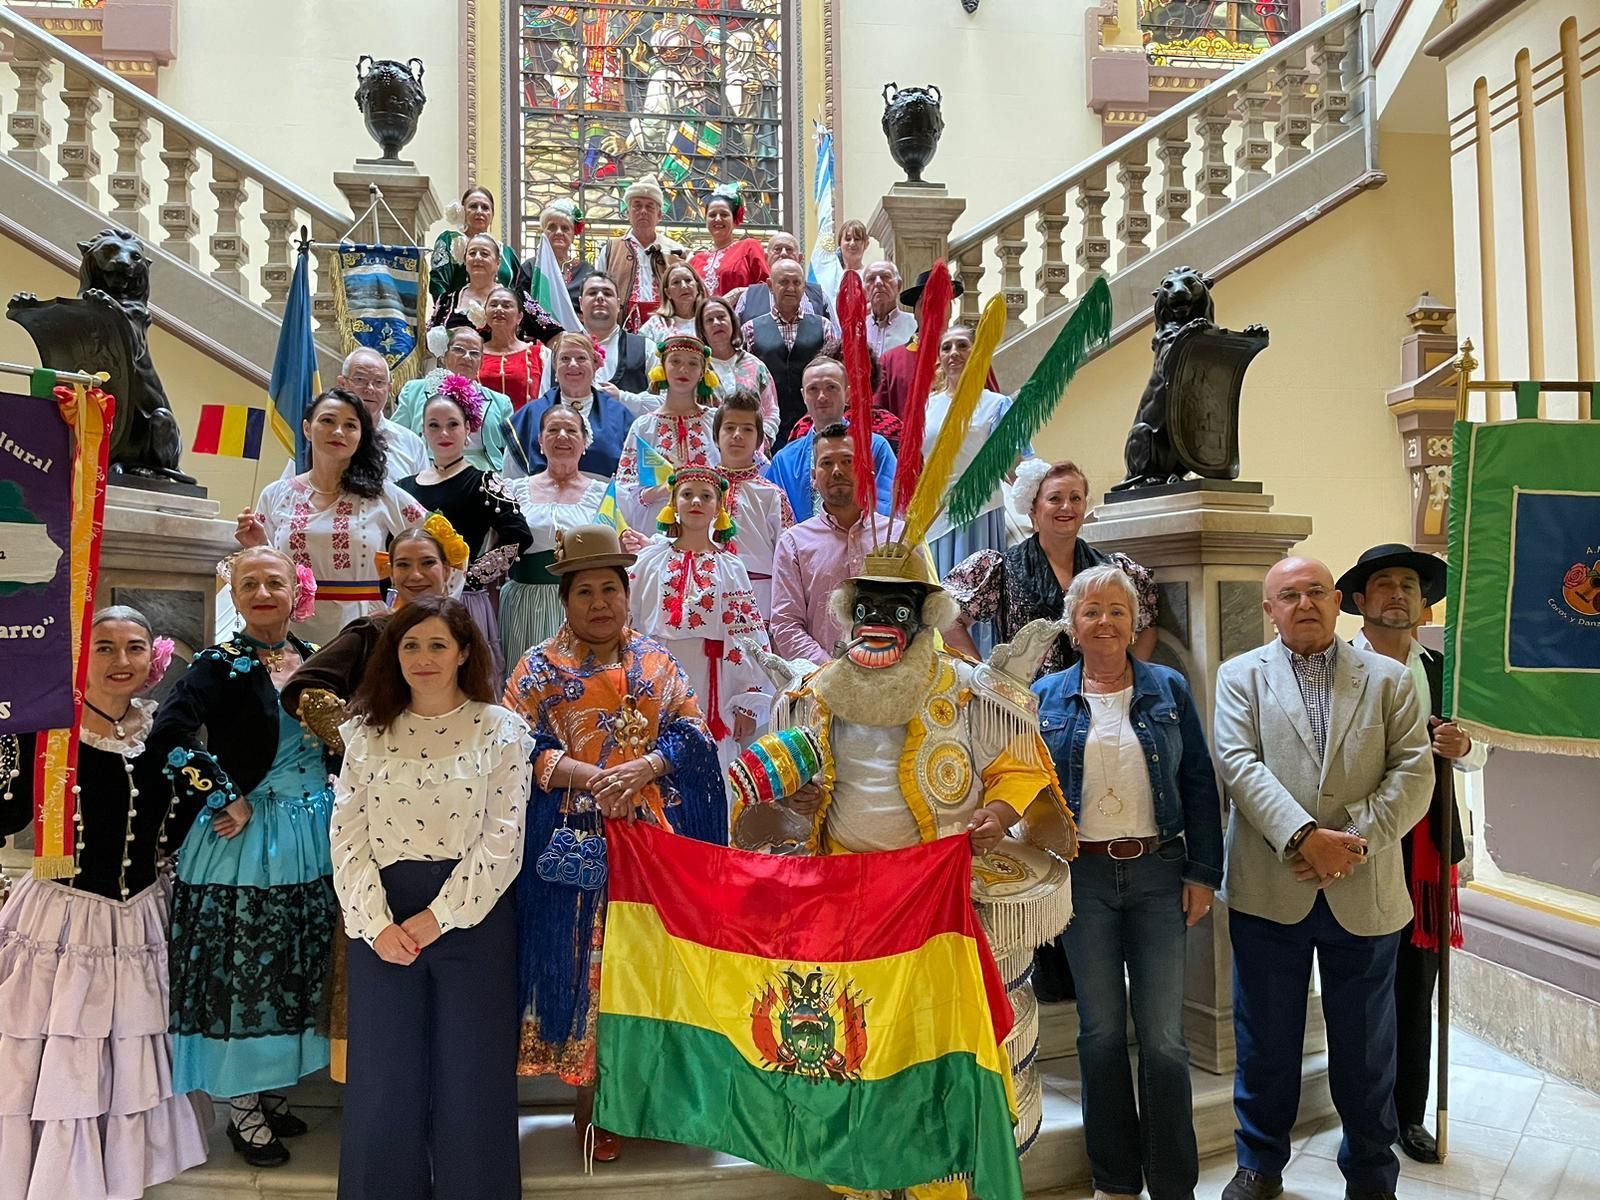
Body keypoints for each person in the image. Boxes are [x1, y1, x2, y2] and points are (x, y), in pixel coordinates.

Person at [731, 534, 1074, 1197]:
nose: (879, 622)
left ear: (926, 617)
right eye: (868, 607)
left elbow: (1019, 767)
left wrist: (998, 817)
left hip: (943, 914)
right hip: (849, 912)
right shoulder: (813, 694)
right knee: (861, 1059)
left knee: (947, 1066)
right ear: (848, 611)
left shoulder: (973, 688)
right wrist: (798, 803)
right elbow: (791, 802)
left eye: (898, 607)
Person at [502, 524, 726, 1163]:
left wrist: (648, 767)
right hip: (578, 845)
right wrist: (589, 775)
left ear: (628, 595)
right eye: (584, 592)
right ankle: (594, 1102)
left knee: (647, 968)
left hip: (654, 844)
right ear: (564, 600)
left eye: (610, 589)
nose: (599, 603)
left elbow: (692, 729)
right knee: (592, 970)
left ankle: (652, 1096)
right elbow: (517, 748)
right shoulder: (539, 668)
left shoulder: (657, 661)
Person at [1212, 555, 1433, 1200]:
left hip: (1364, 892)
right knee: (1267, 1042)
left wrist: (1353, 841)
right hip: (1269, 888)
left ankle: (1370, 1172)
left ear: (1338, 601)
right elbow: (1238, 763)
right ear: (1269, 610)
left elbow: (1413, 774)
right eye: (1288, 595)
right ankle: (1259, 1164)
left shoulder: (1389, 679)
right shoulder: (1241, 677)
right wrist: (1306, 838)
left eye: (1315, 592)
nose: (1303, 604)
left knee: (1367, 1052)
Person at [0, 607, 212, 1198]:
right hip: (63, 913)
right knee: (63, 1044)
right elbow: (8, 813)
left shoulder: (162, 738)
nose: (122, 661)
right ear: (78, 656)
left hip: (143, 914)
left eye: (135, 647)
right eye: (105, 647)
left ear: (153, 658)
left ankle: (122, 1165)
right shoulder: (46, 729)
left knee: (130, 1046)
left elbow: (169, 832)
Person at [1033, 566, 1223, 1200]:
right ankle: (1115, 1179)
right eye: (1092, 611)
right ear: (1073, 624)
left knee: (1165, 1036)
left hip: (1158, 873)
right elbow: (1029, 789)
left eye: (1118, 609)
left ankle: (1173, 1182)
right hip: (1082, 877)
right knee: (1100, 1031)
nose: (1105, 622)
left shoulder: (1167, 687)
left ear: (1135, 618)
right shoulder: (1046, 696)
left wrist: (1203, 872)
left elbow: (1200, 780)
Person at [333, 595, 532, 1200]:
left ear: (464, 652)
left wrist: (439, 918)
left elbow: (503, 841)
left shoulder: (500, 731)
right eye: (410, 644)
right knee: (383, 1080)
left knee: (472, 1080)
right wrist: (375, 922)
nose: (423, 657)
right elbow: (347, 837)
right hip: (382, 922)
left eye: (437, 644)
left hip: (473, 919)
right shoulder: (366, 734)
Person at [153, 546, 338, 1167]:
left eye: (275, 582)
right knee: (245, 964)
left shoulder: (315, 661)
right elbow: (168, 734)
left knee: (295, 963)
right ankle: (240, 1105)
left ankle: (264, 1088)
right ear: (234, 593)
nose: (262, 592)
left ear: (297, 592)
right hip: (246, 837)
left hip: (311, 835)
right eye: (249, 582)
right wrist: (221, 794)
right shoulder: (218, 663)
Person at [1337, 543, 1486, 1166]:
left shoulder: (1442, 672)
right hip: (1366, 846)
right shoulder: (1342, 669)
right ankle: (1361, 1120)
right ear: (1360, 603)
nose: (1397, 594)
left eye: (1409, 585)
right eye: (1383, 585)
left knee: (1414, 991)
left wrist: (1464, 742)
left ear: (1425, 605)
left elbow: (1478, 758)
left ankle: (1408, 1116)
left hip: (1426, 852)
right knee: (1362, 992)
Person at [235, 388, 427, 644]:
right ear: (306, 428)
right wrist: (257, 545)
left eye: (350, 425)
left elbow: (445, 546)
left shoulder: (383, 495)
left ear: (361, 436)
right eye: (327, 421)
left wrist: (406, 609)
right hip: (290, 630)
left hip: (362, 631)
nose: (338, 431)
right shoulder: (276, 494)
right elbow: (267, 570)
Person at [945, 460, 1157, 672]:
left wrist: (1127, 675)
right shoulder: (1003, 569)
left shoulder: (1112, 570)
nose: (1067, 507)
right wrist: (983, 679)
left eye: (1075, 498)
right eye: (1055, 498)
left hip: (1093, 698)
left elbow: (1147, 626)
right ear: (1033, 509)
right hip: (1024, 702)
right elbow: (948, 620)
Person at [628, 464, 771, 770]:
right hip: (656, 672)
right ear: (673, 504)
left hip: (712, 675)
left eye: (706, 496)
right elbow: (629, 617)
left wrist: (748, 697)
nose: (696, 502)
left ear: (719, 507)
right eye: (687, 495)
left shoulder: (730, 566)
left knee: (709, 757)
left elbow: (746, 632)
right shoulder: (650, 559)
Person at [397, 380, 533, 685]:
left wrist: (466, 576)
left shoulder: (485, 482)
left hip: (465, 602)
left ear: (467, 430)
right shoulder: (403, 488)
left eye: (452, 425)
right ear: (423, 430)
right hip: (410, 599)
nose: (443, 433)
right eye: (434, 425)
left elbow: (518, 537)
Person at [770, 422, 924, 666]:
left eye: (847, 461)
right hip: (822, 686)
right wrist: (831, 670)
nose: (837, 471)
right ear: (813, 478)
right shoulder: (794, 543)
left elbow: (923, 614)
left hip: (896, 684)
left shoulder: (900, 536)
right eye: (827, 463)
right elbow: (786, 624)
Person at [501, 404, 607, 666]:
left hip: (583, 604)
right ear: (540, 440)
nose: (562, 436)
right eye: (553, 429)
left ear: (585, 442)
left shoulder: (604, 493)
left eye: (571, 430)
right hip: (524, 604)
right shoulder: (513, 489)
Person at [921, 323, 1025, 574]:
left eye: (962, 345)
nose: (953, 352)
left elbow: (1015, 463)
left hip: (979, 511)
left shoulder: (996, 404)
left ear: (976, 352)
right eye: (946, 347)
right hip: (935, 513)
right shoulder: (926, 408)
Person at [506, 330, 657, 480]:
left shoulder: (620, 416)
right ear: (555, 368)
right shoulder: (530, 415)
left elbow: (638, 478)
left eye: (581, 358)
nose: (573, 364)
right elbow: (511, 477)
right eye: (564, 358)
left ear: (595, 365)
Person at [765, 362, 896, 522]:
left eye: (831, 387)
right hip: (804, 545)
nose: (822, 396)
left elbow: (888, 509)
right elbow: (774, 518)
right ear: (803, 396)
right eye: (813, 389)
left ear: (847, 393)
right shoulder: (783, 461)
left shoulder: (874, 447)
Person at [614, 333, 720, 529]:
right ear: (662, 367)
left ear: (703, 371)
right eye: (675, 361)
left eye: (693, 363)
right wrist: (662, 490)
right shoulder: (643, 426)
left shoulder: (716, 420)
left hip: (710, 525)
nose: (683, 369)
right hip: (655, 528)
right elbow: (624, 490)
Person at [742, 259, 841, 445]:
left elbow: (835, 374)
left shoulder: (823, 326)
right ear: (771, 285)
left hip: (815, 424)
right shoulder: (749, 330)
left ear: (804, 287)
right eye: (784, 282)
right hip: (767, 428)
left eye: (796, 283)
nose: (791, 288)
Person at [394, 321, 515, 473]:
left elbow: (511, 453)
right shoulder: (413, 391)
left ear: (481, 361)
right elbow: (397, 438)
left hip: (483, 473)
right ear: (445, 355)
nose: (467, 357)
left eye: (474, 353)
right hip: (427, 468)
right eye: (459, 350)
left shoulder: (501, 402)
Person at [715, 390, 793, 614]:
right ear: (716, 436)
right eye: (729, 428)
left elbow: (787, 559)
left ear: (759, 440)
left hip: (758, 599)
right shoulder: (698, 490)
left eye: (747, 429)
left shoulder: (772, 495)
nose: (737, 435)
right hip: (705, 596)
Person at [531, 272, 654, 396]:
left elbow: (663, 404)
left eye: (607, 293)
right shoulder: (558, 351)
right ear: (581, 303)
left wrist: (624, 399)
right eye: (592, 293)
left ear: (618, 304)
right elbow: (545, 405)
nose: (600, 297)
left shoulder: (646, 348)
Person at [876, 267, 974, 421]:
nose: (933, 310)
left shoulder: (971, 357)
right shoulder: (890, 362)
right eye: (926, 303)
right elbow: (878, 419)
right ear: (915, 312)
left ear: (950, 310)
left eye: (940, 302)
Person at [430, 232, 559, 347]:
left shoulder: (518, 299)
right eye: (472, 253)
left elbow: (554, 333)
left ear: (498, 263)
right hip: (457, 373)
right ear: (465, 261)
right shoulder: (446, 301)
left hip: (505, 371)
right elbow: (428, 342)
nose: (477, 258)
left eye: (484, 254)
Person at [600, 173, 688, 332]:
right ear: (628, 212)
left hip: (667, 328)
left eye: (649, 206)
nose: (643, 211)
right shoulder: (610, 249)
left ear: (659, 215)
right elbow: (600, 290)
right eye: (637, 205)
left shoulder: (676, 250)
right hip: (621, 328)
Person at [332, 346, 429, 482]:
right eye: (360, 379)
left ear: (389, 388)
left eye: (379, 382)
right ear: (342, 383)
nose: (370, 388)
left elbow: (422, 499)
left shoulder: (411, 445)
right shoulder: (326, 438)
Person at [698, 294, 779, 447]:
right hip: (708, 454)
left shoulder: (755, 365)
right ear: (702, 329)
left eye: (722, 317)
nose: (716, 323)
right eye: (709, 320)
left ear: (732, 322)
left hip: (752, 454)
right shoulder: (696, 368)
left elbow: (771, 411)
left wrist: (759, 444)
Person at [429, 185, 519, 301]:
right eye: (473, 206)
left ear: (492, 214)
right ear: (463, 211)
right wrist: (446, 314)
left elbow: (519, 291)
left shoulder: (507, 253)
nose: (479, 211)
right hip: (459, 315)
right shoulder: (451, 241)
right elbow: (439, 283)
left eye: (485, 208)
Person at [732, 231, 834, 327]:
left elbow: (836, 338)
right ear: (766, 258)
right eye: (777, 249)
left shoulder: (819, 296)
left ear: (799, 258)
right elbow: (736, 338)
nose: (783, 253)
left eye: (789, 249)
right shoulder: (748, 296)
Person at [514, 197, 595, 308]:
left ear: (573, 236)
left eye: (565, 228)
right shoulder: (529, 268)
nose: (558, 232)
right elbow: (520, 308)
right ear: (543, 232)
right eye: (552, 227)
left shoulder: (586, 270)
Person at [691, 182, 769, 297]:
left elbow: (767, 286)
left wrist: (737, 294)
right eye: (712, 215)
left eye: (724, 214)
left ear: (734, 220)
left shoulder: (749, 247)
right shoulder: (696, 260)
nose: (717, 219)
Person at [480, 283, 545, 411]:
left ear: (519, 317)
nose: (499, 309)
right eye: (493, 305)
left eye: (506, 305)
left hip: (525, 428)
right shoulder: (473, 353)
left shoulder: (539, 354)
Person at [638, 260, 707, 345]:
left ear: (697, 286)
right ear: (668, 293)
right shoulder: (654, 325)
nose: (684, 286)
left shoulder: (710, 319)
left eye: (688, 280)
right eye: (676, 282)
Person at [862, 260, 917, 357]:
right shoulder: (858, 329)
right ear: (864, 290)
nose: (878, 283)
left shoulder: (915, 324)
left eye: (886, 277)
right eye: (871, 279)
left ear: (899, 286)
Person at [814, 216, 869, 311]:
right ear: (840, 243)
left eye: (857, 239)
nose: (852, 243)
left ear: (865, 244)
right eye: (848, 239)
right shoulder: (829, 275)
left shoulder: (869, 275)